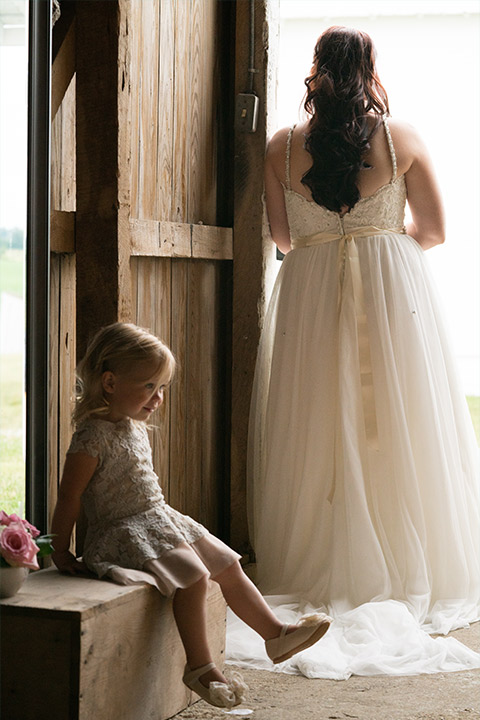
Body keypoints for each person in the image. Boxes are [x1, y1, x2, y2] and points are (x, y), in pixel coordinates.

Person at [229, 26, 480, 678]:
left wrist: (332, 248)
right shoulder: (401, 142)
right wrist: (375, 244)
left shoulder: (282, 148)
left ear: (315, 71)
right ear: (370, 69)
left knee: (316, 424)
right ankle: (399, 563)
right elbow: (436, 231)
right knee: (398, 426)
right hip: (390, 299)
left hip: (310, 296)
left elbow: (283, 236)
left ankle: (315, 558)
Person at [50, 322, 331, 708]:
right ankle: (200, 667)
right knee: (195, 578)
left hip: (158, 517)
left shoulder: (131, 425)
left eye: (162, 387)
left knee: (227, 563)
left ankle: (275, 633)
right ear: (110, 383)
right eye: (149, 386)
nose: (158, 397)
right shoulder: (91, 436)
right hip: (123, 529)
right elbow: (70, 496)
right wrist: (60, 551)